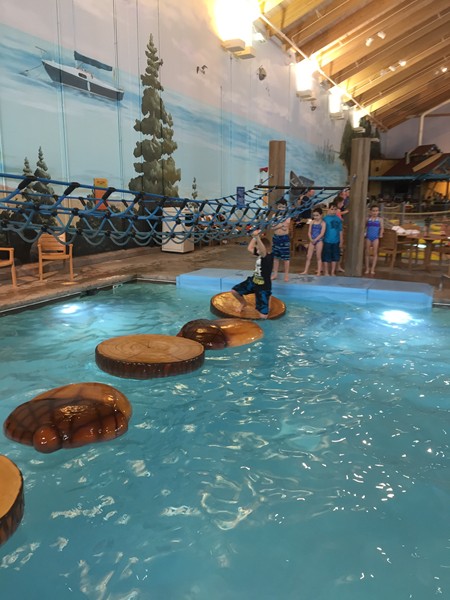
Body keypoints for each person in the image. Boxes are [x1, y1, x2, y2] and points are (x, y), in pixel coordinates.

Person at [231, 229, 273, 319]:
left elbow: (262, 251)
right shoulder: (260, 254)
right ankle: (243, 303)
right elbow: (249, 248)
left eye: (258, 248)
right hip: (253, 281)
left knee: (263, 316)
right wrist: (254, 237)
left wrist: (257, 237)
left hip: (263, 287)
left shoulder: (268, 257)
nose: (256, 251)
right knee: (234, 291)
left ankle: (268, 296)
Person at [300, 207, 325, 275]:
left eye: (317, 215)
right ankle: (306, 271)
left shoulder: (323, 223)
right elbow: (309, 232)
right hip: (312, 240)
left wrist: (316, 239)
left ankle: (319, 271)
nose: (315, 217)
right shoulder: (312, 222)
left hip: (319, 240)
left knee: (318, 257)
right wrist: (311, 239)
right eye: (314, 215)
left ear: (321, 215)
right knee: (308, 256)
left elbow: (322, 233)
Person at [271, 198, 291, 282]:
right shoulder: (274, 216)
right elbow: (272, 227)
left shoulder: (288, 216)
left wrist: (278, 225)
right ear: (277, 207)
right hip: (276, 237)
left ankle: (286, 275)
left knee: (286, 258)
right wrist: (280, 225)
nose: (281, 209)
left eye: (283, 207)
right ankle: (275, 273)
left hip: (284, 238)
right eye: (279, 207)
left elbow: (285, 227)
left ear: (286, 207)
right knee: (275, 257)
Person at [322, 202, 343, 276]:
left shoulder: (338, 219)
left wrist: (341, 240)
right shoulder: (325, 219)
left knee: (335, 257)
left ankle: (332, 272)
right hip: (327, 240)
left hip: (336, 241)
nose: (333, 211)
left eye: (335, 209)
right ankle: (326, 272)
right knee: (326, 257)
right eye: (332, 209)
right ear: (328, 209)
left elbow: (340, 230)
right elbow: (322, 231)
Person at [364, 204, 384, 275]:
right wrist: (364, 233)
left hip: (375, 237)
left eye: (376, 211)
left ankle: (372, 269)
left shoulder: (380, 219)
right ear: (370, 212)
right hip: (368, 237)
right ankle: (367, 268)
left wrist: (381, 234)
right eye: (373, 211)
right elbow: (364, 227)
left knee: (375, 253)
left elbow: (382, 228)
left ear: (378, 212)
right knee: (367, 253)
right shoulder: (367, 219)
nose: (375, 212)